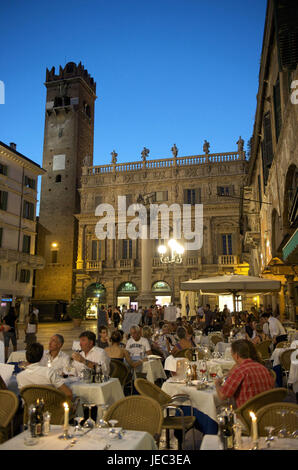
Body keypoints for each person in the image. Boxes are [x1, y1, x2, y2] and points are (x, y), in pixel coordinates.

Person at [215, 339, 274, 408]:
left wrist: (217, 384)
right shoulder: (263, 368)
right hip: (266, 411)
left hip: (247, 413)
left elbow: (222, 396)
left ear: (236, 355)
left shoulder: (240, 371)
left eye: (232, 354)